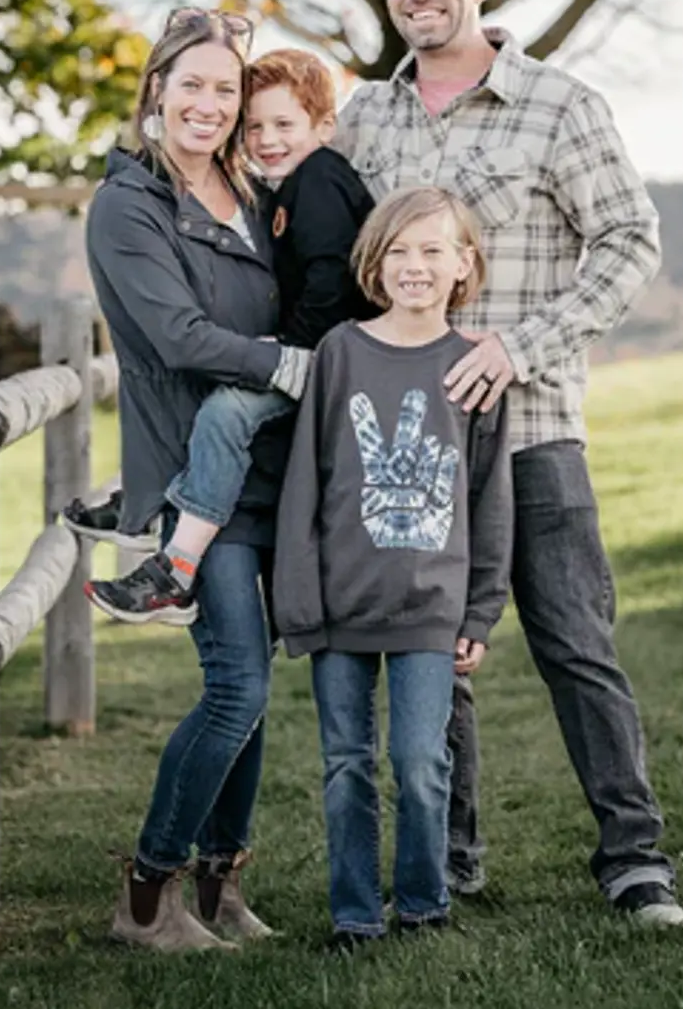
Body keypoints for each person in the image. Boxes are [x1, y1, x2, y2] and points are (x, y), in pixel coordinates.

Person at [335, 0, 683, 927]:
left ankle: (636, 862)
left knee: (576, 644)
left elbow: (629, 239)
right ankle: (451, 860)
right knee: (428, 655)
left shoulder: (557, 104)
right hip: (409, 449)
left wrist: (518, 347)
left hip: (534, 430)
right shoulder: (369, 119)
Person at [85, 7, 303, 952]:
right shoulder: (129, 203)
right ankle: (146, 894)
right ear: (157, 91)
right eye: (193, 86)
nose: (210, 105)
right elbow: (176, 336)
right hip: (189, 475)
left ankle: (221, 888)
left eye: (227, 88)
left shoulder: (250, 191)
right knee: (234, 687)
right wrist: (289, 365)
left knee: (251, 699)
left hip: (261, 470)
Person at [273, 186, 513, 949]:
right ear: (374, 264)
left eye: (433, 249)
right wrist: (299, 601)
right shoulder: (341, 351)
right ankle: (353, 912)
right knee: (346, 763)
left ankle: (422, 900)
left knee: (418, 759)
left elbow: (488, 497)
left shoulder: (475, 366)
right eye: (399, 251)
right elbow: (306, 482)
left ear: (462, 263)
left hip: (431, 606)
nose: (415, 265)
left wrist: (478, 612)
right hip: (343, 599)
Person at [85, 48, 375, 625]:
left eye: (284, 125)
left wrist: (289, 348)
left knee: (226, 414)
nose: (267, 139)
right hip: (320, 350)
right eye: (256, 126)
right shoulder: (273, 189)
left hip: (330, 352)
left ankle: (176, 565)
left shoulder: (316, 180)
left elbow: (331, 276)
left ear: (324, 127)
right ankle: (148, 506)